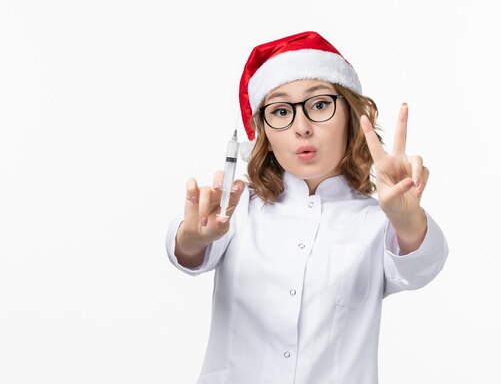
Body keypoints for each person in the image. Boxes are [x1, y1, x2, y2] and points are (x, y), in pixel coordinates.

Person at [165, 31, 449, 384]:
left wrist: (407, 219)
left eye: (318, 105)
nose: (302, 128)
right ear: (264, 131)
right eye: (281, 111)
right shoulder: (238, 209)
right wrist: (192, 237)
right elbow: (188, 254)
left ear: (350, 114)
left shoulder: (375, 222)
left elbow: (422, 266)